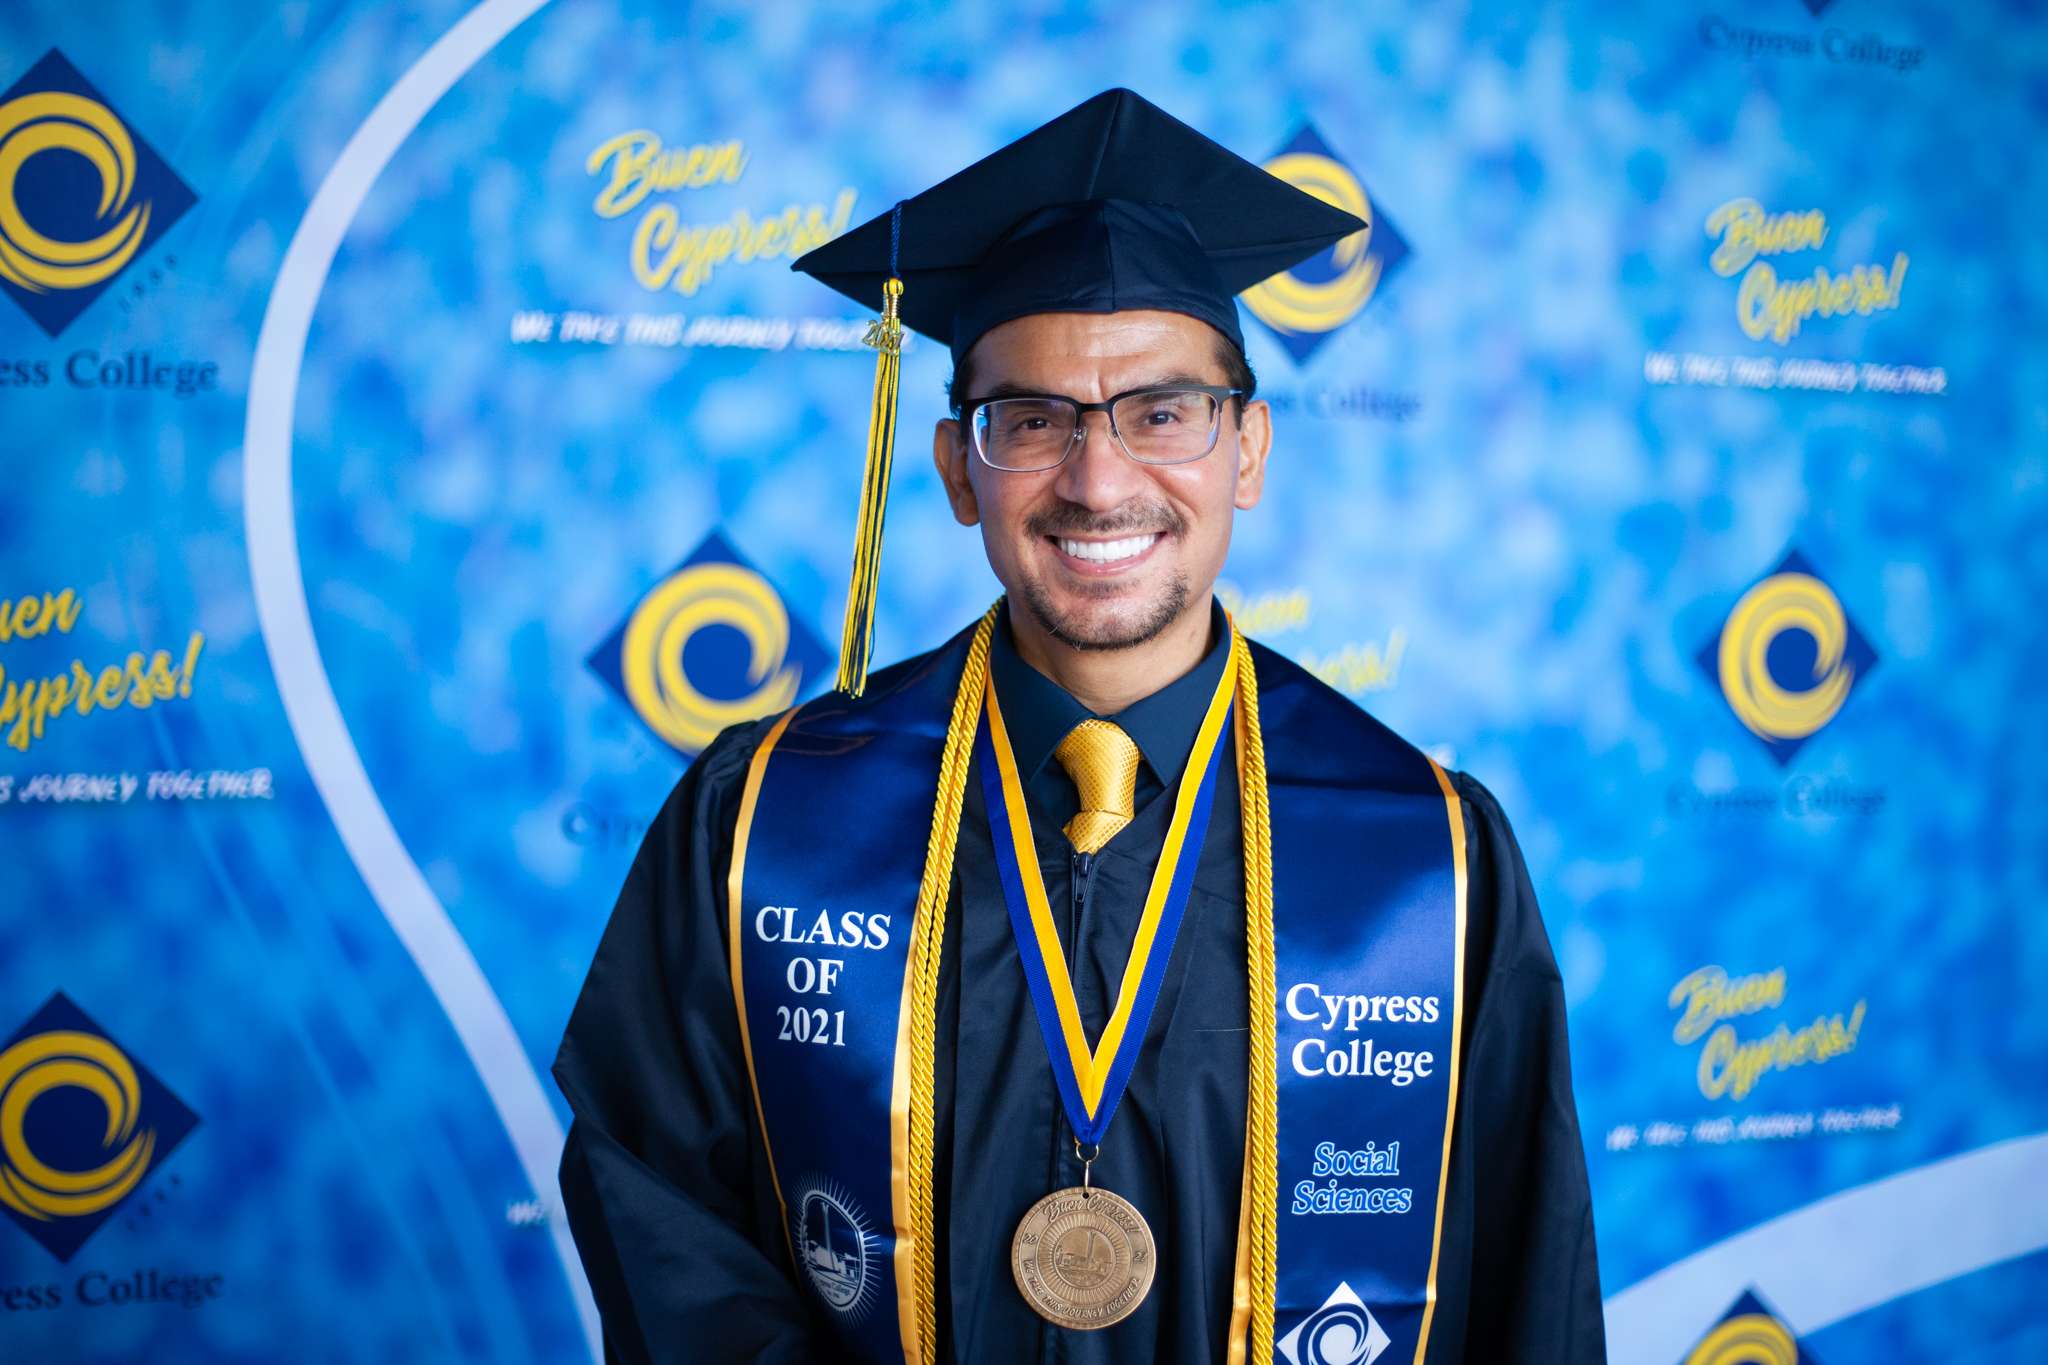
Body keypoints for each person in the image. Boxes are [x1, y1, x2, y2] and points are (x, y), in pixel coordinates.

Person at [554, 89, 1604, 1365]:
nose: (1098, 479)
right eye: (1031, 420)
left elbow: (1525, 1293)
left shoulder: (1426, 862)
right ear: (955, 467)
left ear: (1248, 452)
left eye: (1164, 412)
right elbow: (659, 1213)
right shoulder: (763, 823)